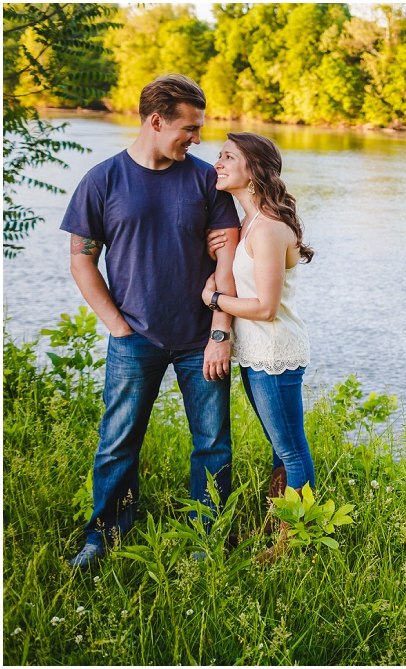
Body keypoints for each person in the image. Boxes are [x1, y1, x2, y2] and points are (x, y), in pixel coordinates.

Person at [62, 74, 240, 568]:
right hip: (134, 338)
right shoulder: (103, 180)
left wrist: (220, 333)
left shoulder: (207, 180)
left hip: (201, 341)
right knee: (117, 442)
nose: (199, 139)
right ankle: (103, 538)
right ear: (157, 121)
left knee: (212, 444)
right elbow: (81, 259)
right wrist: (118, 327)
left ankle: (207, 538)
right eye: (190, 128)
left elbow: (228, 264)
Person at [202, 132, 314, 559]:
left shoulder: (267, 228)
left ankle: (294, 541)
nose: (218, 162)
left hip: (275, 353)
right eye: (219, 155)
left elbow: (265, 307)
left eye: (229, 156)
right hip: (256, 353)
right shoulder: (248, 220)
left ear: (253, 170)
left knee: (291, 449)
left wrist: (214, 300)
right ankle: (277, 529)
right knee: (279, 447)